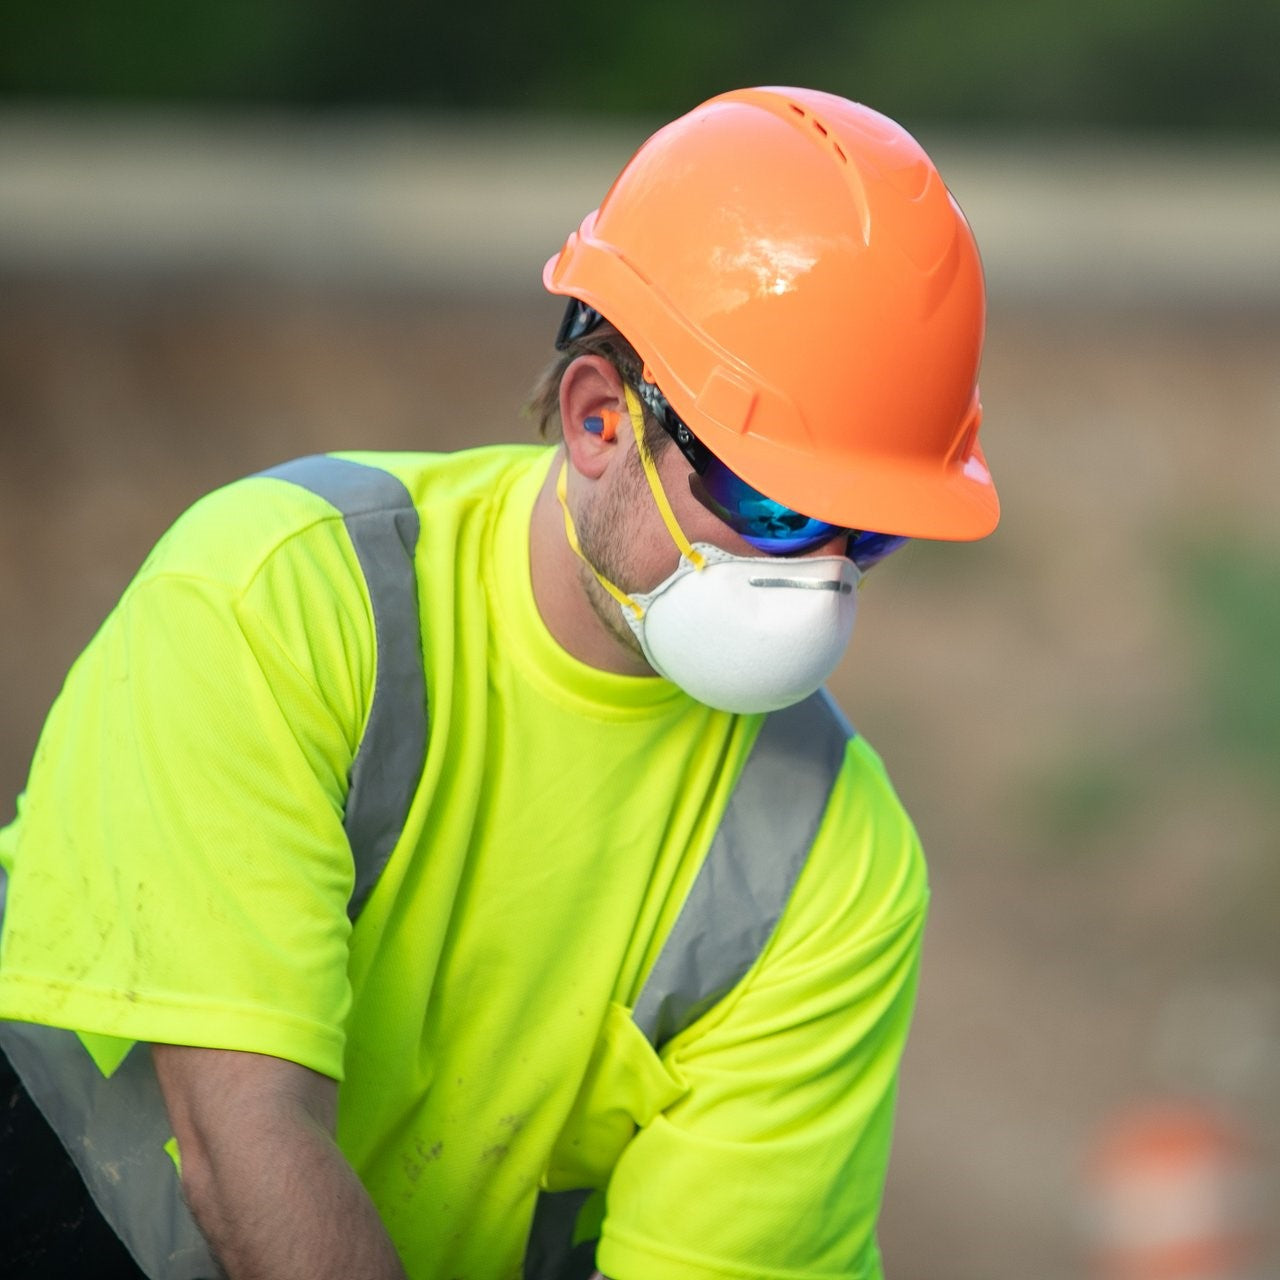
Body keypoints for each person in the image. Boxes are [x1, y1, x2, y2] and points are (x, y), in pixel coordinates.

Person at [0, 85, 998, 1280]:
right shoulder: (286, 593)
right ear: (596, 418)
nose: (820, 577)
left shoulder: (832, 860)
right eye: (774, 506)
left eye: (866, 531)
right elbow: (239, 1141)